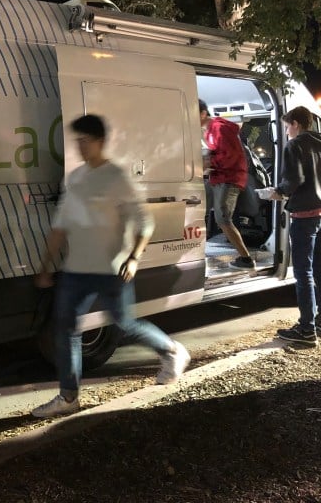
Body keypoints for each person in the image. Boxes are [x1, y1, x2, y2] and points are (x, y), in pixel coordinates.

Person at [31, 114, 190, 419]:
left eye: (85, 140)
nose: (79, 146)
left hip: (111, 268)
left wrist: (134, 258)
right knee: (65, 329)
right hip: (76, 269)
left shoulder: (117, 177)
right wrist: (46, 267)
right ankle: (68, 396)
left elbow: (145, 221)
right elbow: (60, 227)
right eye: (76, 141)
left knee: (124, 323)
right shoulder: (75, 178)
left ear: (100, 141)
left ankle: (171, 351)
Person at [269, 106, 321, 345]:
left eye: (286, 126)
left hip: (304, 216)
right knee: (319, 270)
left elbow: (293, 180)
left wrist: (277, 192)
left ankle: (306, 330)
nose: (286, 131)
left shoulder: (295, 145)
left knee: (303, 273)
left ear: (295, 123)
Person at [199, 100, 255, 270]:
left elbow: (231, 156)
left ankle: (246, 258)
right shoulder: (209, 131)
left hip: (229, 179)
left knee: (222, 218)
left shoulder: (219, 128)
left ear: (202, 113)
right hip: (218, 177)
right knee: (197, 204)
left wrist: (209, 162)